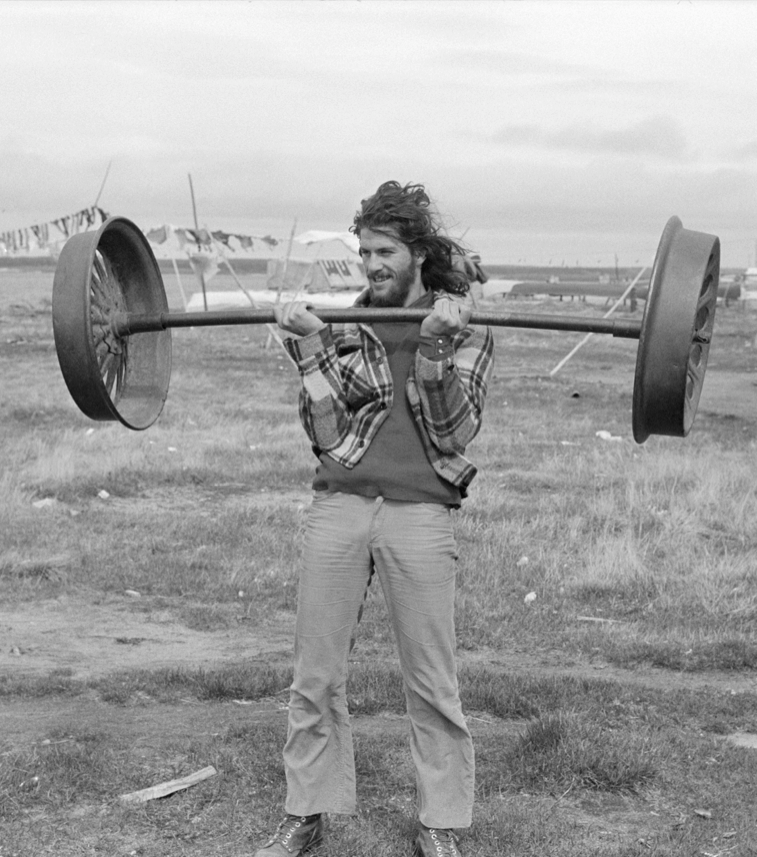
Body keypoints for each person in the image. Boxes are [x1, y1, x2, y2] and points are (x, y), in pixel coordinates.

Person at [254, 181, 494, 857]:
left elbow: (454, 435)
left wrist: (437, 352)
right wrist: (308, 350)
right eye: (364, 253)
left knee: (432, 679)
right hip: (341, 504)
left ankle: (439, 824)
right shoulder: (343, 324)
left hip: (421, 511)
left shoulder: (468, 331)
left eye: (384, 251)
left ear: (417, 252)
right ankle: (308, 812)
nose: (372, 265)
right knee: (316, 673)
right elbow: (327, 436)